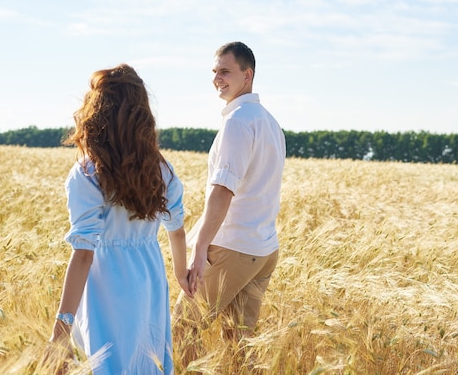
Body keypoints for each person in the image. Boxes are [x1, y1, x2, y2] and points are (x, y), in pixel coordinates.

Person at [43, 64, 190, 374]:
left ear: (96, 112)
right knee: (145, 362)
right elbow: (176, 230)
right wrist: (180, 273)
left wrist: (62, 327)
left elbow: (83, 254)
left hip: (106, 282)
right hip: (150, 278)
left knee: (106, 363)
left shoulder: (87, 173)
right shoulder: (162, 170)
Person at [173, 41, 286, 364]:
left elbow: (223, 191)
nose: (216, 79)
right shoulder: (270, 122)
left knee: (182, 332)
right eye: (214, 71)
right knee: (241, 347)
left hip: (233, 248)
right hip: (263, 250)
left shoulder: (237, 122)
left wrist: (199, 249)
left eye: (225, 71)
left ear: (247, 75)